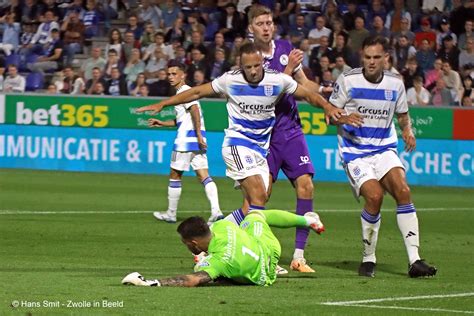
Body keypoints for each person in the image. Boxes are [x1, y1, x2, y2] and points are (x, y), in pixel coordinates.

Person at [136, 42, 342, 236]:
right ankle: (259, 251)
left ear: (262, 62)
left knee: (251, 206)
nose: (252, 71)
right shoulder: (230, 80)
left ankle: (215, 233)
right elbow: (197, 91)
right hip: (237, 143)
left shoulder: (277, 80)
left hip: (261, 149)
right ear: (240, 65)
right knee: (259, 196)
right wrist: (164, 103)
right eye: (247, 66)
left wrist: (327, 106)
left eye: (256, 65)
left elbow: (308, 94)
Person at [328, 35, 437, 278]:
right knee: (375, 196)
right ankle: (368, 258)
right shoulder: (347, 80)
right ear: (362, 57)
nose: (372, 62)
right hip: (355, 153)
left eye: (377, 57)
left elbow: (402, 115)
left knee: (403, 191)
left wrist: (407, 130)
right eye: (367, 57)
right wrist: (343, 117)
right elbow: (330, 113)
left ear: (386, 58)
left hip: (384, 149)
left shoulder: (395, 84)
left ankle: (415, 260)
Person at [243, 4, 334, 273]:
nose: (266, 27)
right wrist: (288, 70)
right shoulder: (249, 58)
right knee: (259, 197)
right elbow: (266, 94)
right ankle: (243, 247)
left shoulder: (284, 47)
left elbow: (303, 83)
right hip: (263, 135)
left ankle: (298, 256)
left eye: (269, 22)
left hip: (291, 130)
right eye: (260, 23)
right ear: (251, 28)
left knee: (306, 186)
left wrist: (330, 92)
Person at [122, 209, 325, 287]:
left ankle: (233, 270)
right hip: (269, 248)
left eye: (186, 245)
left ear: (193, 243)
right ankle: (307, 220)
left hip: (264, 275)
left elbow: (192, 280)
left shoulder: (218, 262)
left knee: (204, 270)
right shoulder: (222, 225)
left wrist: (153, 283)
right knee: (256, 215)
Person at [144, 61, 223, 224]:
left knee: (175, 175)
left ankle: (171, 213)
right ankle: (216, 211)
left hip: (185, 140)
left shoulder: (185, 91)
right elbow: (182, 119)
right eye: (169, 74)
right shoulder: (183, 93)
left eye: (174, 73)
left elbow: (194, 110)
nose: (171, 77)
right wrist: (162, 123)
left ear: (183, 75)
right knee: (204, 175)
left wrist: (199, 134)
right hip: (195, 139)